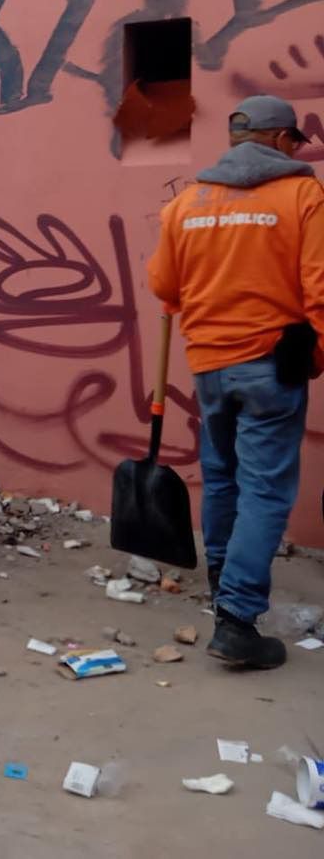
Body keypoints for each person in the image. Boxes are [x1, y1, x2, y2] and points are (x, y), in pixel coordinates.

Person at [147, 95, 324, 669]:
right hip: (272, 363)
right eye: (295, 141)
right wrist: (316, 349)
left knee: (222, 477)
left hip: (210, 365)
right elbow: (321, 284)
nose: (299, 151)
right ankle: (238, 620)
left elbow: (164, 286)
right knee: (266, 490)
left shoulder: (187, 203)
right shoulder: (303, 195)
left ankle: (224, 577)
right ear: (275, 140)